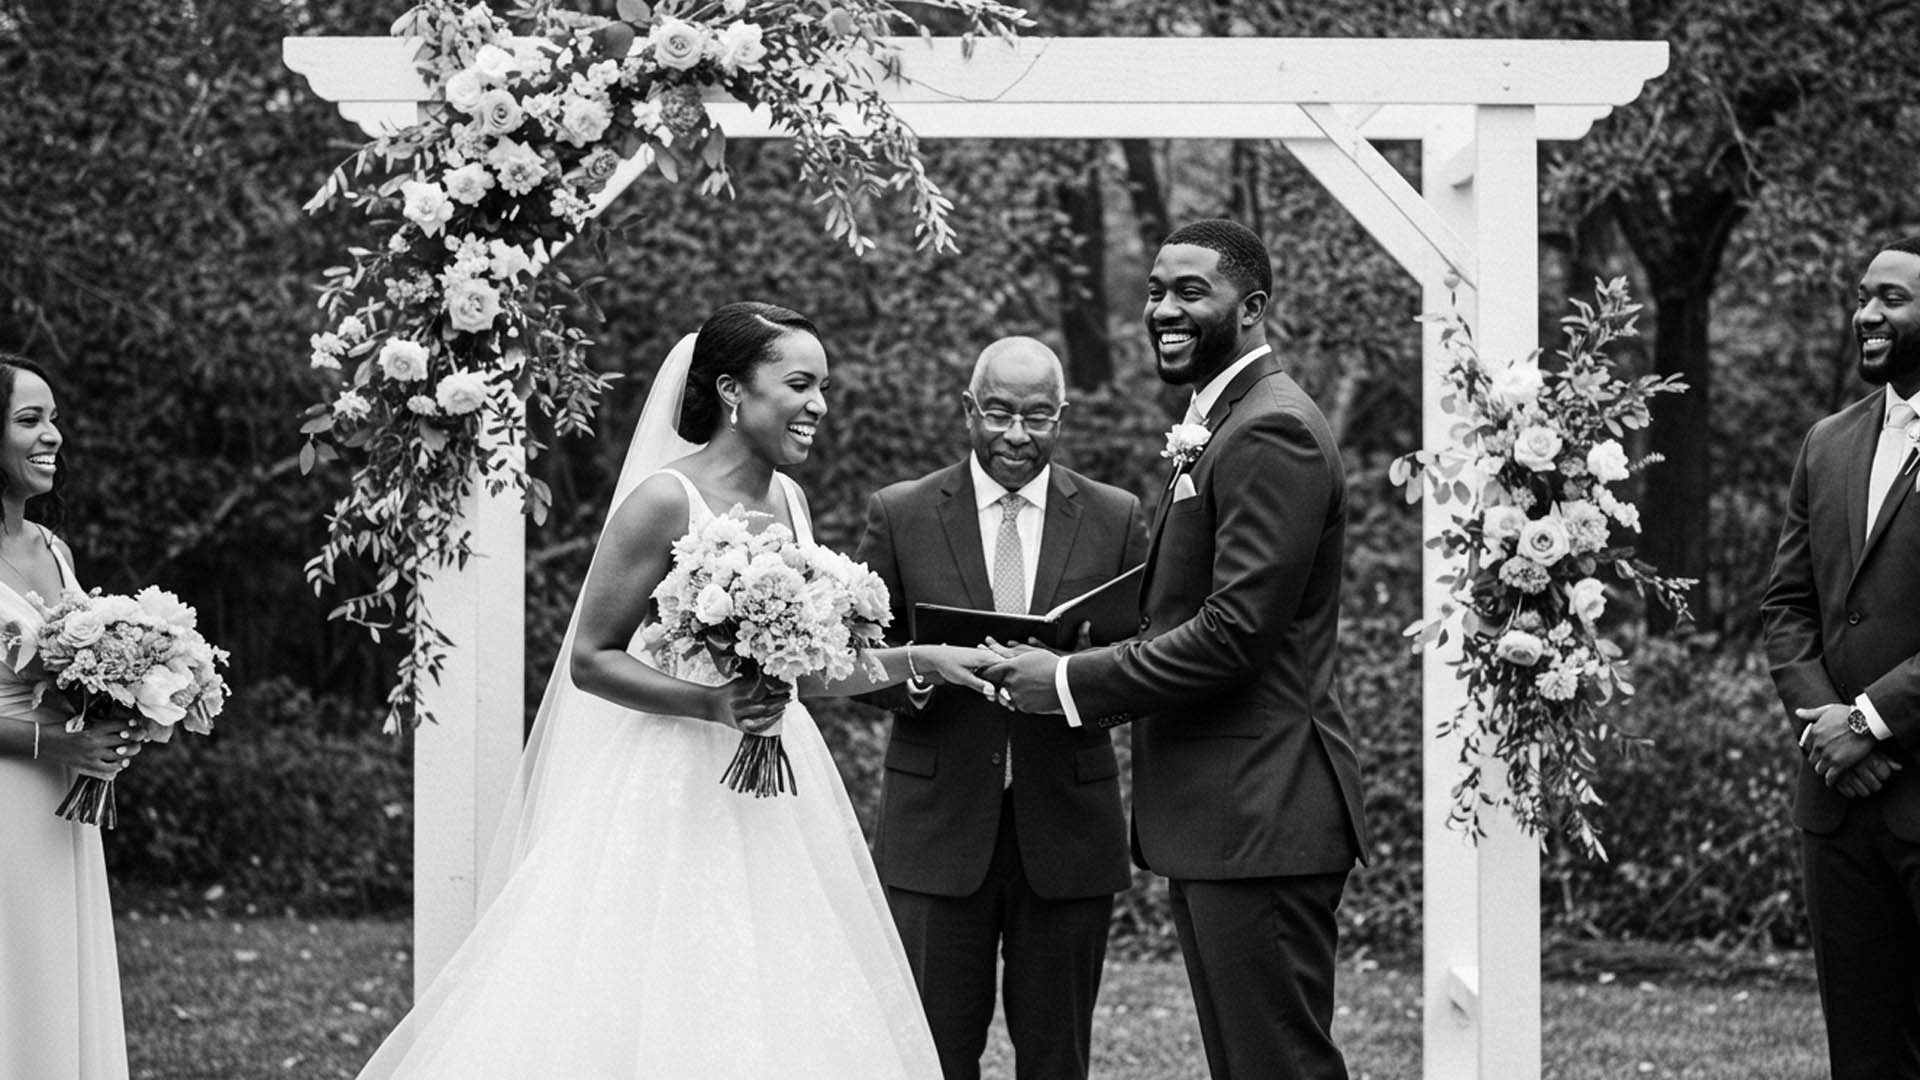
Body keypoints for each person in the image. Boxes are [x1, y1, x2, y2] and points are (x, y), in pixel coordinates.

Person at [354, 302, 1001, 1079]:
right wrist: (710, 702)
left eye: (824, 387)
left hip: (777, 789)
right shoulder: (665, 500)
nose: (819, 406)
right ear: (732, 391)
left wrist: (923, 657)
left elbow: (810, 670)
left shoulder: (790, 502)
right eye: (800, 384)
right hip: (671, 784)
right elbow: (590, 658)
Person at [983, 220, 1369, 1080]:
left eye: (1192, 291)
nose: (1163, 309)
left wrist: (1070, 681)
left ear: (1253, 307)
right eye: (1156, 290)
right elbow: (1194, 605)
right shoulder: (1224, 419)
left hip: (1261, 807)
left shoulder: (1273, 429)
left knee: (1278, 1067)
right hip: (1224, 818)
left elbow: (1236, 632)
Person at [853, 336, 1147, 1080]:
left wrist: (1076, 677)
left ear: (1061, 417)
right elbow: (854, 661)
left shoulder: (1116, 517)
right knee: (933, 1056)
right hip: (938, 829)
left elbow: (1142, 664)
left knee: (1057, 1059)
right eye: (999, 413)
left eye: (1038, 417)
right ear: (968, 410)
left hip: (1068, 829)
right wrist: (922, 674)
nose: (1017, 434)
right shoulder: (901, 512)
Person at [1760, 237, 1920, 1080]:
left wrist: (1870, 723)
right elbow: (1787, 607)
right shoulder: (1826, 442)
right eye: (1863, 296)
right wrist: (1829, 729)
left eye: (1892, 298)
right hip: (1839, 809)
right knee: (1862, 1056)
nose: (1867, 314)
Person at [0, 353, 139, 1080]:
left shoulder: (55, 548)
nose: (53, 435)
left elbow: (71, 673)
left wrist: (127, 709)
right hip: (8, 793)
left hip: (62, 802)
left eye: (54, 419)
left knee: (58, 977)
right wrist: (49, 741)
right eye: (30, 420)